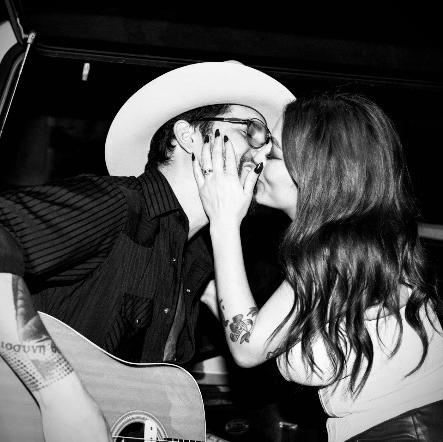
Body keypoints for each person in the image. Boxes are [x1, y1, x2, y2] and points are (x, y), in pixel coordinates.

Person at [0, 61, 295, 441]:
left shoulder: (195, 262)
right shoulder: (119, 206)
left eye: (267, 140)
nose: (263, 152)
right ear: (189, 137)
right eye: (251, 131)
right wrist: (61, 396)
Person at [193, 92, 443, 441]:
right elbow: (256, 333)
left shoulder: (339, 252)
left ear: (313, 174)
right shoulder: (351, 246)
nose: (257, 157)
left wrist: (224, 220)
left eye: (273, 153)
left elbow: (248, 346)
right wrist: (207, 292)